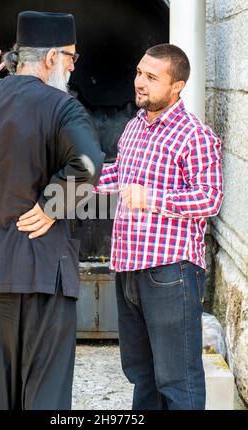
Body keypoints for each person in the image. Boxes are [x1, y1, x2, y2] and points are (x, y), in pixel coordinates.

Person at [0, 11, 104, 410]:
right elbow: (88, 164)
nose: (72, 64)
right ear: (51, 58)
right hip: (41, 271)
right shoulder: (63, 107)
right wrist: (52, 206)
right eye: (70, 56)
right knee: (45, 395)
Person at [96, 43, 223, 410]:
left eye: (152, 77)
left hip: (171, 273)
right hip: (129, 269)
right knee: (141, 375)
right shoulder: (135, 126)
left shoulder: (194, 135)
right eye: (139, 72)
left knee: (177, 381)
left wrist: (152, 198)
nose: (140, 82)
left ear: (177, 86)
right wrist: (75, 177)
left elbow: (209, 199)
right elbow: (120, 175)